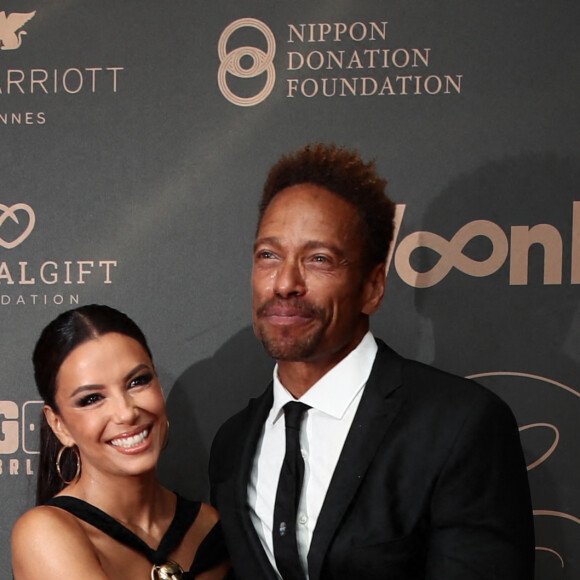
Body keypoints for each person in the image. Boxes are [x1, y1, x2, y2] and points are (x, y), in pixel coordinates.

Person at [209, 143, 535, 579]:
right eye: (268, 255)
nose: (285, 283)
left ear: (373, 288)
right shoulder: (232, 445)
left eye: (319, 259)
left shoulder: (460, 426)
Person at [12, 304, 230, 580]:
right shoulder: (45, 533)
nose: (126, 412)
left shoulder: (208, 525)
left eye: (138, 382)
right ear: (59, 425)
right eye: (92, 399)